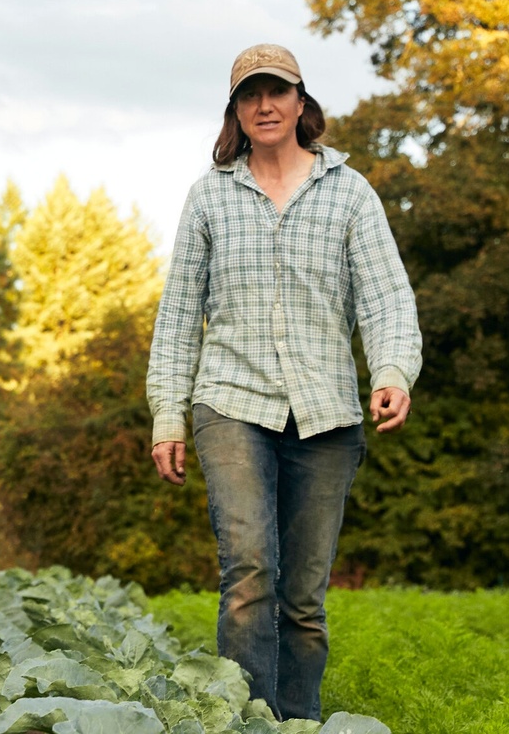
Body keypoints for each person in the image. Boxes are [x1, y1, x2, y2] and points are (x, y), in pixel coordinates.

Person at [146, 43, 422, 721]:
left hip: (327, 413)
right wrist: (168, 416)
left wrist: (390, 372)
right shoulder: (210, 196)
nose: (264, 106)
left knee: (303, 597)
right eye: (250, 95)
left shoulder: (349, 193)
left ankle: (298, 719)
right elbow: (180, 313)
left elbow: (385, 299)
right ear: (236, 111)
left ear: (302, 103)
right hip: (231, 402)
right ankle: (243, 720)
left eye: (277, 92)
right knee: (248, 573)